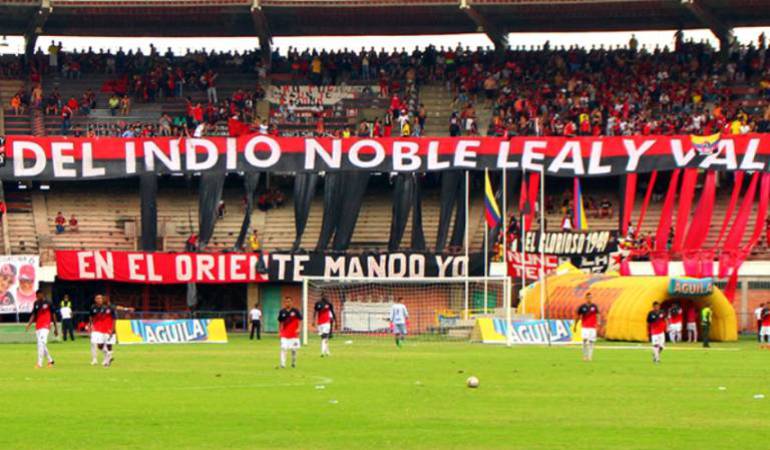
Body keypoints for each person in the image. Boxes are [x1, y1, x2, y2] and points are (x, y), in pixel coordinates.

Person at [25, 290, 57, 368]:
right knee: (42, 344)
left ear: (42, 294)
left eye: (38, 295)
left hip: (46, 326)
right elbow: (33, 315)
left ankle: (39, 363)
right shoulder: (36, 303)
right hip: (38, 326)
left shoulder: (49, 303)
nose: (37, 297)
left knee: (40, 343)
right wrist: (29, 324)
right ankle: (50, 360)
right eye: (36, 296)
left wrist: (56, 328)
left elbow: (53, 315)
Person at [89, 294, 116, 366]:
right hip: (97, 329)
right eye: (97, 298)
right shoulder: (93, 307)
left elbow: (113, 319)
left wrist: (112, 329)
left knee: (104, 345)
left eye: (100, 298)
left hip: (106, 329)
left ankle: (107, 356)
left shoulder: (108, 308)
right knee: (94, 343)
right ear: (95, 299)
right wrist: (91, 325)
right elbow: (91, 317)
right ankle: (95, 359)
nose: (99, 300)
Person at [277, 296, 302, 369]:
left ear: (292, 302)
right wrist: (279, 332)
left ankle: (293, 362)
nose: (287, 303)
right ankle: (282, 364)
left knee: (293, 350)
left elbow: (300, 320)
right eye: (286, 301)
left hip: (294, 334)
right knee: (283, 348)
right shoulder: (282, 312)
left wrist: (299, 328)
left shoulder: (296, 311)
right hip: (284, 334)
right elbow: (280, 322)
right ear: (284, 303)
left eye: (289, 301)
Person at [573, 292, 599, 361]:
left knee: (591, 341)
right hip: (585, 326)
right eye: (588, 297)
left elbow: (597, 314)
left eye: (591, 297)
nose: (590, 299)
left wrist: (598, 323)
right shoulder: (582, 307)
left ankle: (590, 357)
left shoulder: (594, 306)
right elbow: (577, 317)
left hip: (592, 327)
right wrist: (575, 325)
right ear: (586, 298)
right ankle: (585, 356)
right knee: (584, 340)